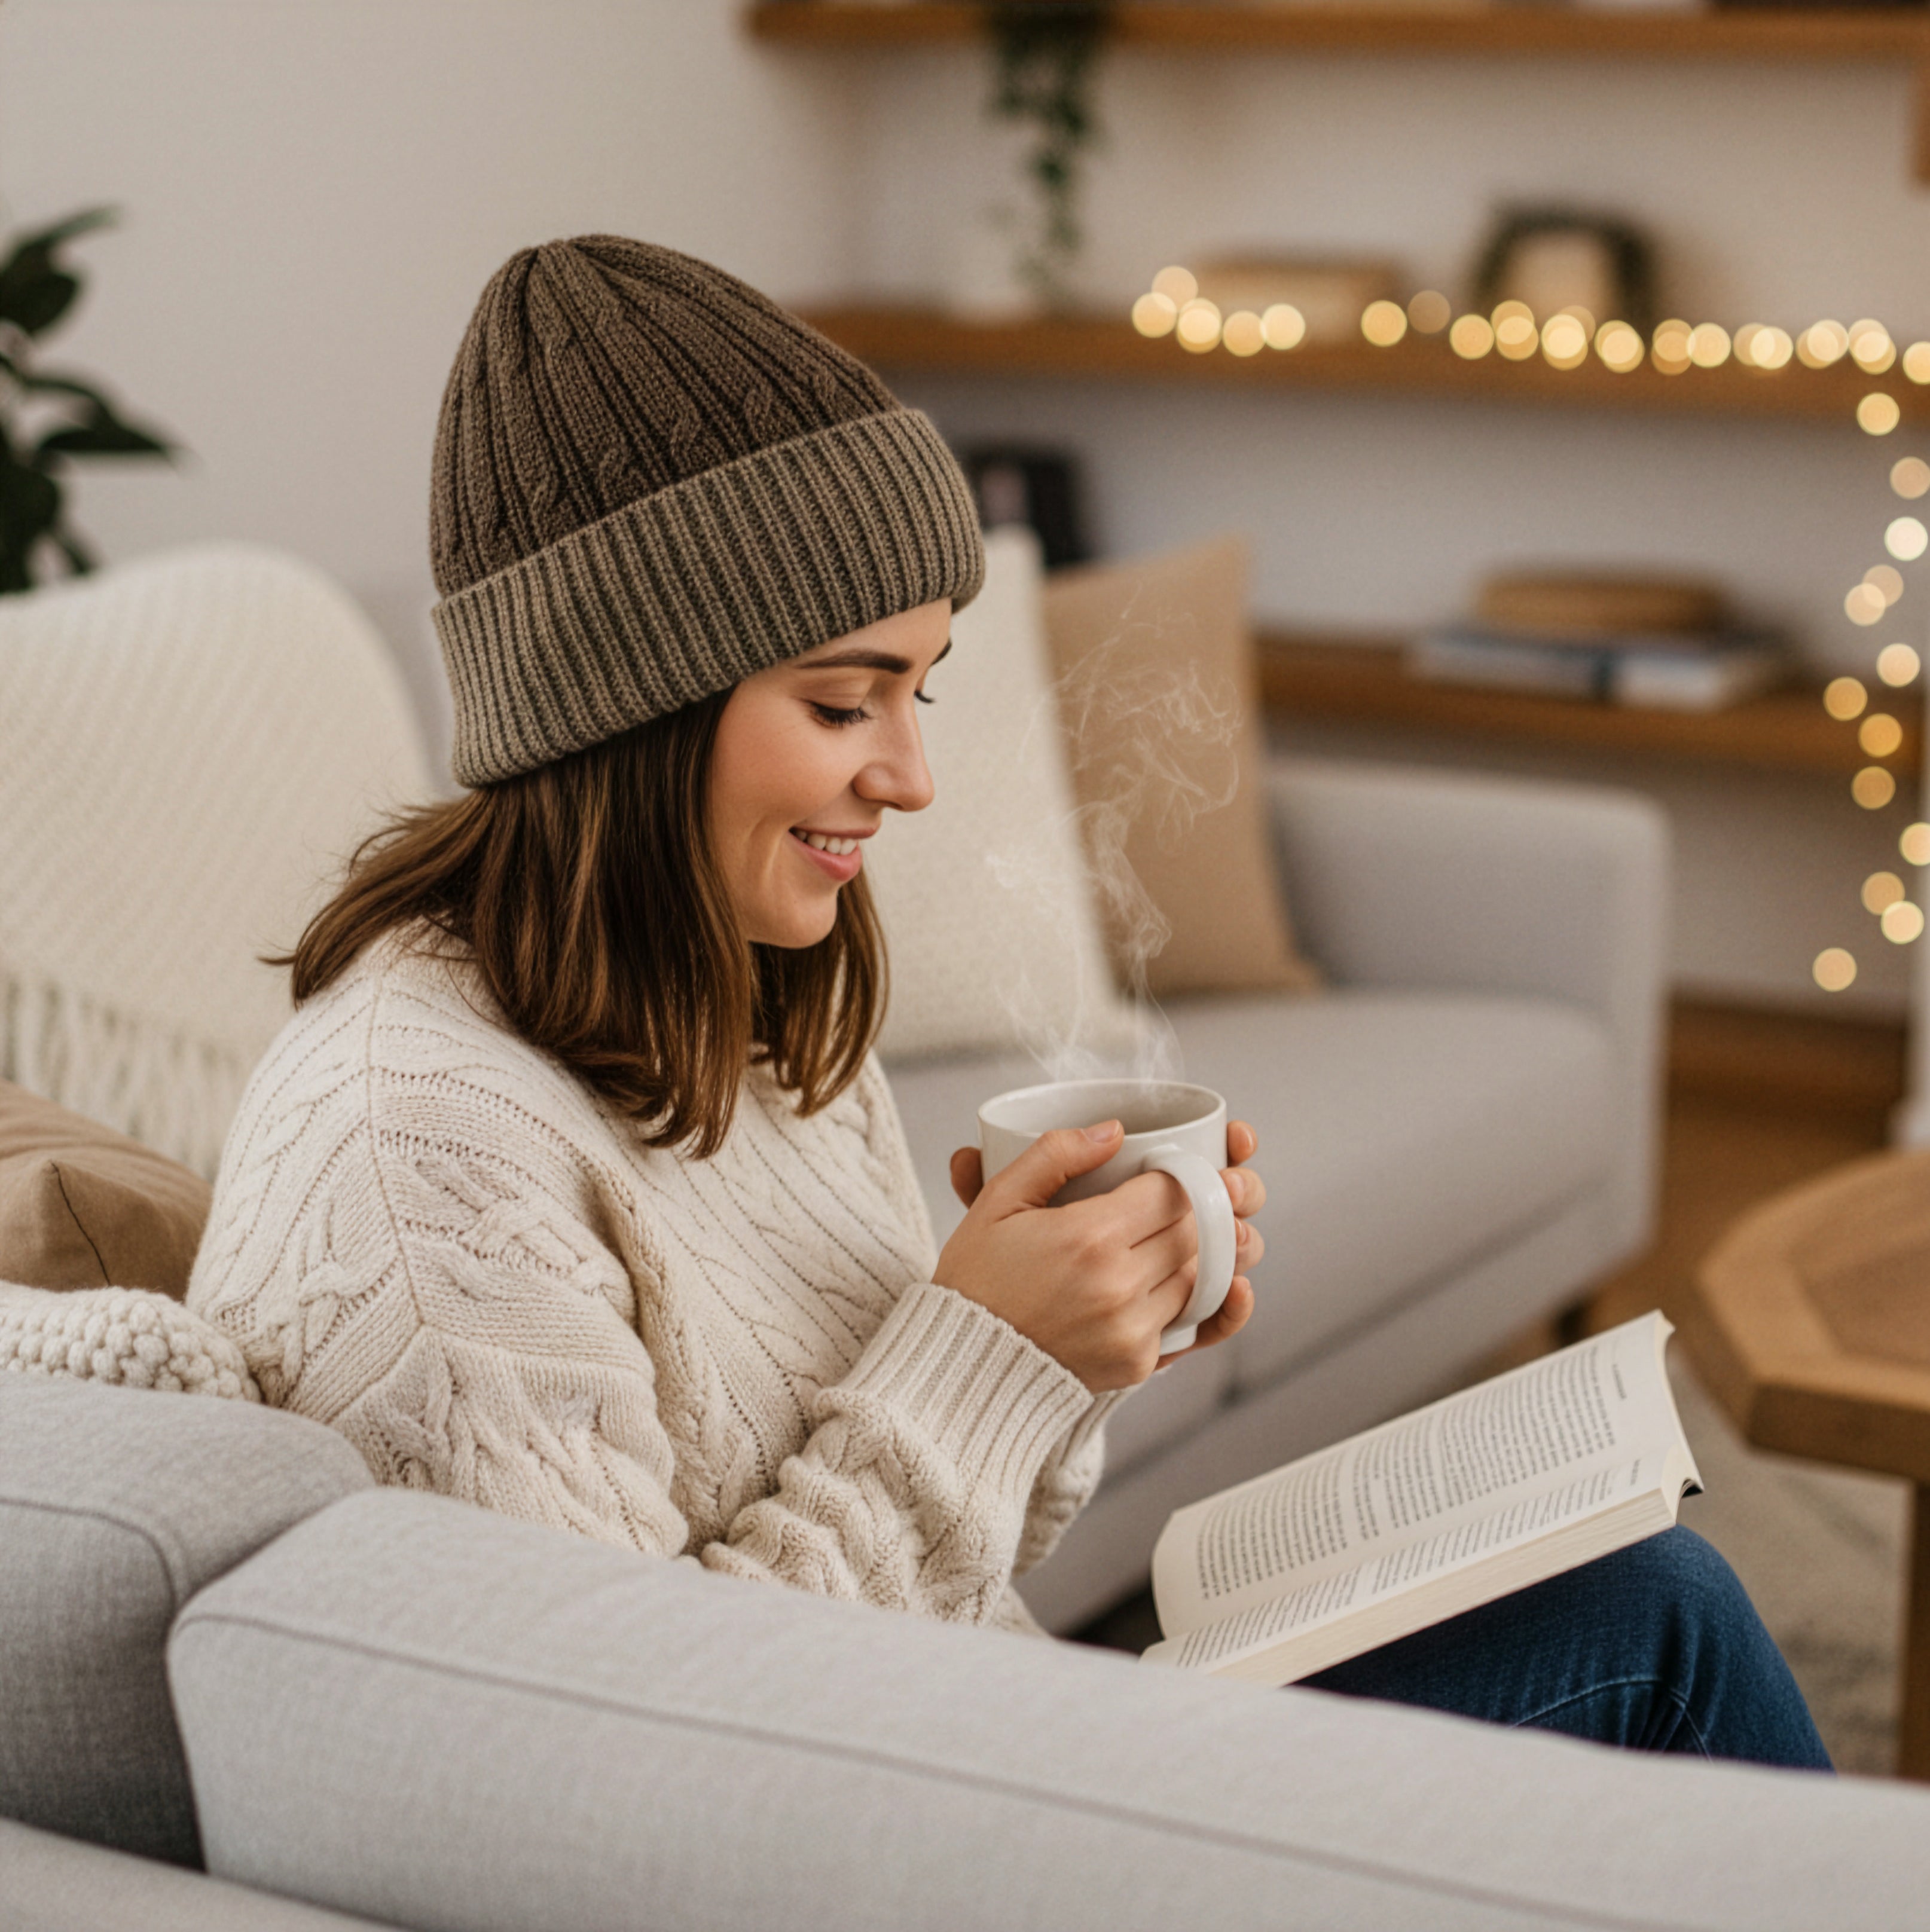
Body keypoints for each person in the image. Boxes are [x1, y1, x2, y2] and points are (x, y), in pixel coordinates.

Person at [189, 235, 1827, 1769]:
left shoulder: (741, 999)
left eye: (921, 693)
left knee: (1647, 1596)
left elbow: (955, 1555)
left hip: (984, 1748)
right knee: (1661, 1646)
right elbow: (630, 1765)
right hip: (913, 1839)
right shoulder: (419, 1157)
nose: (905, 778)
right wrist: (978, 1356)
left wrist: (1071, 1342)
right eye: (844, 702)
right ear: (625, 714)